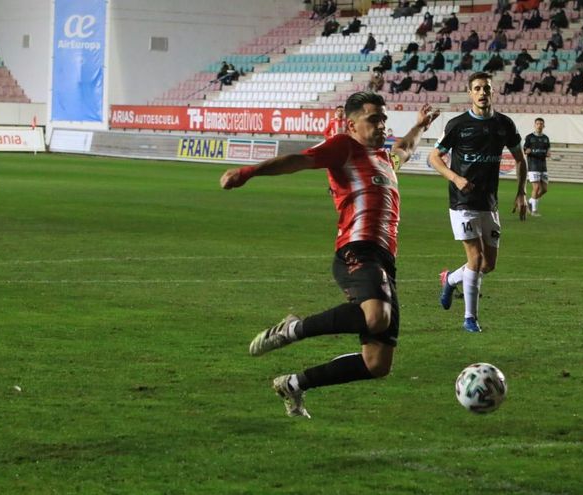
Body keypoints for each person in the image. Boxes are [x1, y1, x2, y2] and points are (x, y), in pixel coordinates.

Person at [220, 93, 440, 418]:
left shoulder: (384, 157)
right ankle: (293, 329)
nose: (382, 125)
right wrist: (249, 171)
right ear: (351, 125)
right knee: (377, 316)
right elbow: (298, 160)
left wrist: (419, 126)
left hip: (384, 260)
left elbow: (405, 148)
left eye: (383, 119)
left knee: (377, 363)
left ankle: (295, 383)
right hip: (357, 248)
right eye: (373, 119)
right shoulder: (343, 147)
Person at [428, 71, 528, 333]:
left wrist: (521, 192)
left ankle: (450, 279)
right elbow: (434, 157)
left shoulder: (504, 124)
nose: (482, 93)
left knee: (488, 264)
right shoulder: (457, 124)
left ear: (493, 92)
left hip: (489, 203)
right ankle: (469, 318)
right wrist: (455, 177)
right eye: (477, 88)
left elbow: (520, 160)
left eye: (486, 88)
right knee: (475, 259)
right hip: (462, 201)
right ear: (470, 93)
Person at [524, 117, 550, 216]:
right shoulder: (529, 137)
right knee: (536, 188)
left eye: (541, 124)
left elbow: (548, 149)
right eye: (537, 123)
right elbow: (525, 149)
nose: (539, 125)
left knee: (544, 189)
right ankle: (534, 211)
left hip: (543, 166)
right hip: (533, 165)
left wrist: (548, 152)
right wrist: (526, 151)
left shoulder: (545, 138)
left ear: (544, 126)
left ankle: (530, 201)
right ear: (534, 125)